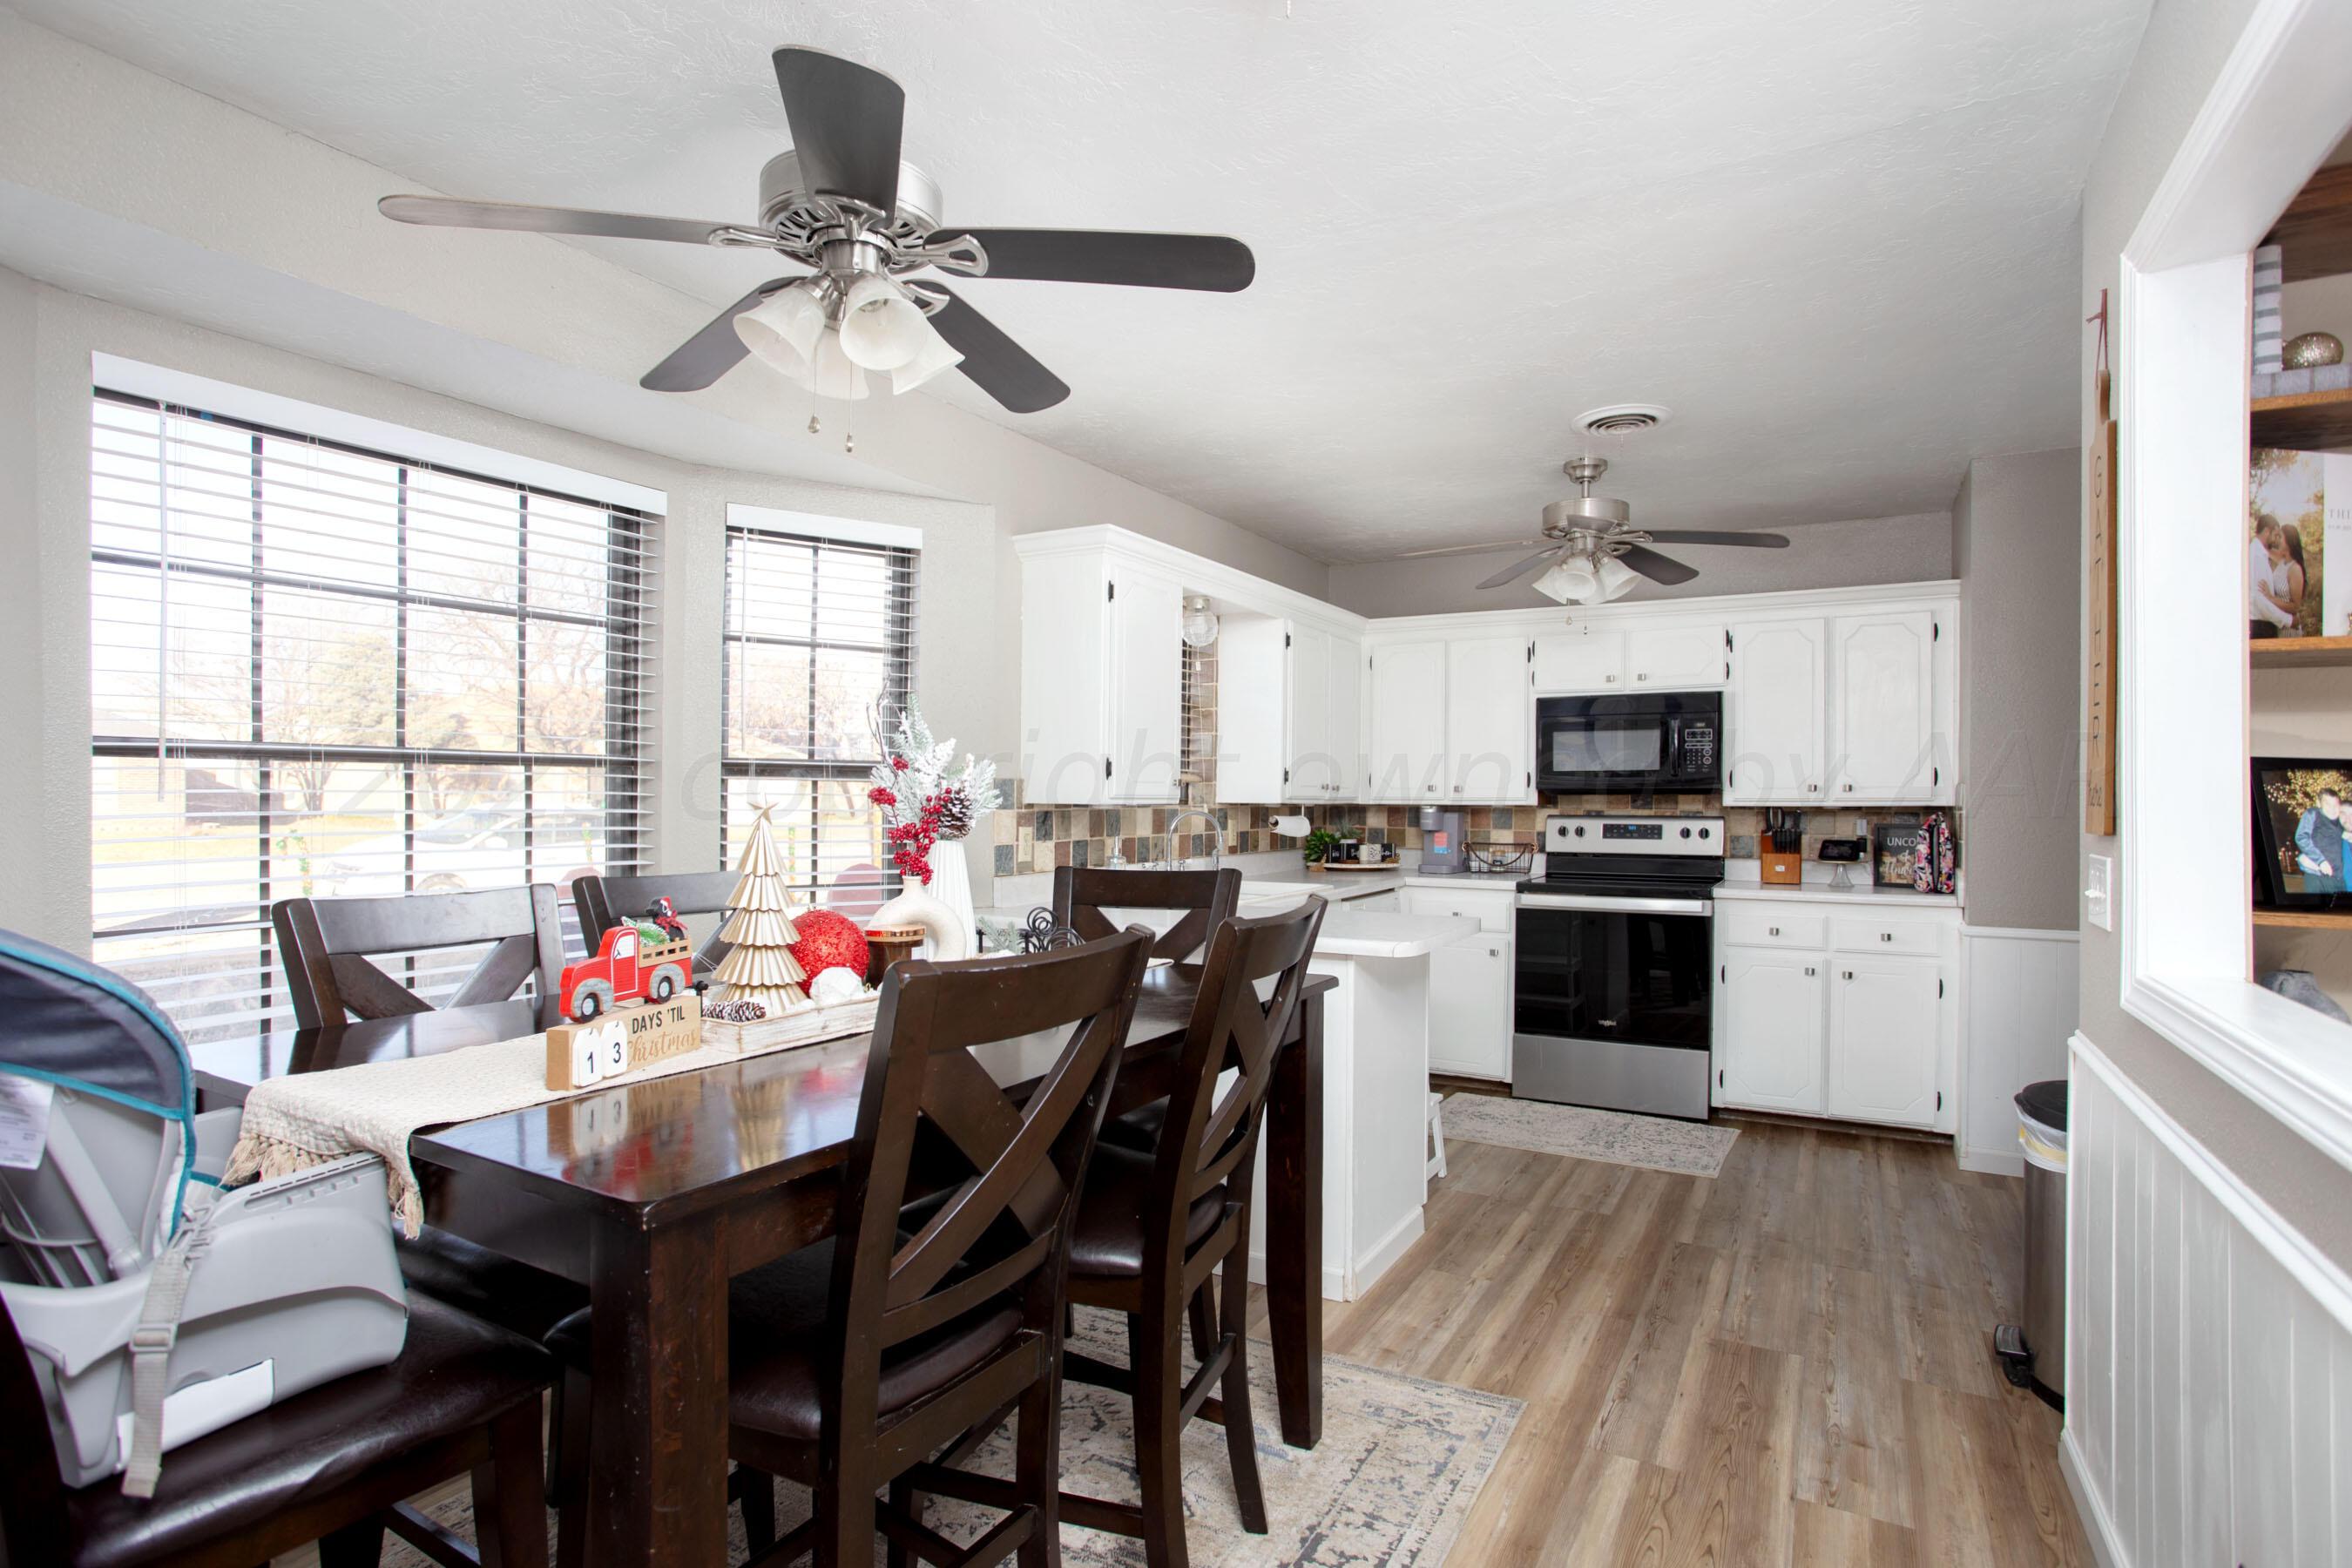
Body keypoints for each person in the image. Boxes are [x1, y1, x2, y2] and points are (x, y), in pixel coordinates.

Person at [2250, 513, 2295, 639]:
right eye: (2275, 535)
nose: (2276, 540)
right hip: (2260, 628)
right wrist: (2288, 620)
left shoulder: (2260, 554)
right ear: (2266, 531)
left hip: (2263, 625)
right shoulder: (2257, 557)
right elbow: (2260, 601)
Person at [2295, 787, 2344, 893]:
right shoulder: (2313, 814)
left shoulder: (2343, 821)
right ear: (2319, 803)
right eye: (2328, 804)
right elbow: (2302, 837)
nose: (2332, 808)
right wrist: (2320, 861)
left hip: (2340, 880)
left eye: (2336, 805)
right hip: (2318, 876)